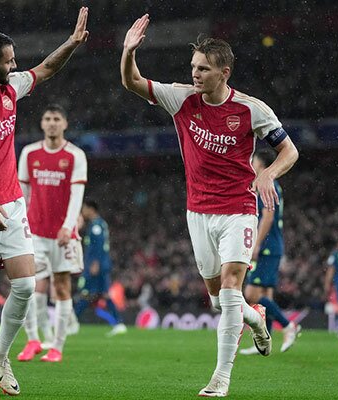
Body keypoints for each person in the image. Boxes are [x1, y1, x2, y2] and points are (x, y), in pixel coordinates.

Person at [120, 15, 299, 397]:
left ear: (224, 72)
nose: (195, 75)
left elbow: (289, 151)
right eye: (193, 68)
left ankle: (220, 378)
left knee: (233, 288)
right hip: (198, 212)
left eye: (203, 69)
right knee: (222, 301)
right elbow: (131, 82)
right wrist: (128, 52)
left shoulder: (252, 110)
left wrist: (269, 175)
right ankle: (256, 318)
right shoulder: (182, 98)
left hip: (238, 208)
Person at [0, 8, 89, 397]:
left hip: (11, 204)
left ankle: (0, 354)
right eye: (10, 60)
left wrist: (72, 43)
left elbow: (45, 69)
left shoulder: (10, 89)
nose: (16, 64)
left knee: (25, 286)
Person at [16, 104, 87, 363]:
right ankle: (33, 340)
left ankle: (57, 347)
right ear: (42, 123)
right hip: (34, 232)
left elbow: (77, 195)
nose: (52, 123)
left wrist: (68, 226)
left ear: (65, 124)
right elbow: (23, 194)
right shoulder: (29, 153)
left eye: (57, 118)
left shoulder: (75, 155)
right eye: (47, 118)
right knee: (28, 286)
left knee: (62, 287)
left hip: (62, 234)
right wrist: (19, 226)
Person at [240, 149, 301, 355]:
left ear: (262, 165)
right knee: (266, 295)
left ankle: (288, 325)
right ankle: (267, 341)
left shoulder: (266, 183)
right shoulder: (274, 185)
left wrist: (256, 244)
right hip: (274, 245)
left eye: (254, 161)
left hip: (266, 247)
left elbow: (267, 216)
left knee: (252, 295)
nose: (252, 164)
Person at [74, 200, 127, 337]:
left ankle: (72, 322)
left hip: (96, 266)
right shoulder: (98, 224)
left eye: (84, 208)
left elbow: (97, 245)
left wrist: (95, 263)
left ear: (92, 209)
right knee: (101, 294)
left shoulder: (96, 225)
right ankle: (119, 323)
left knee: (86, 293)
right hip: (100, 265)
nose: (83, 211)